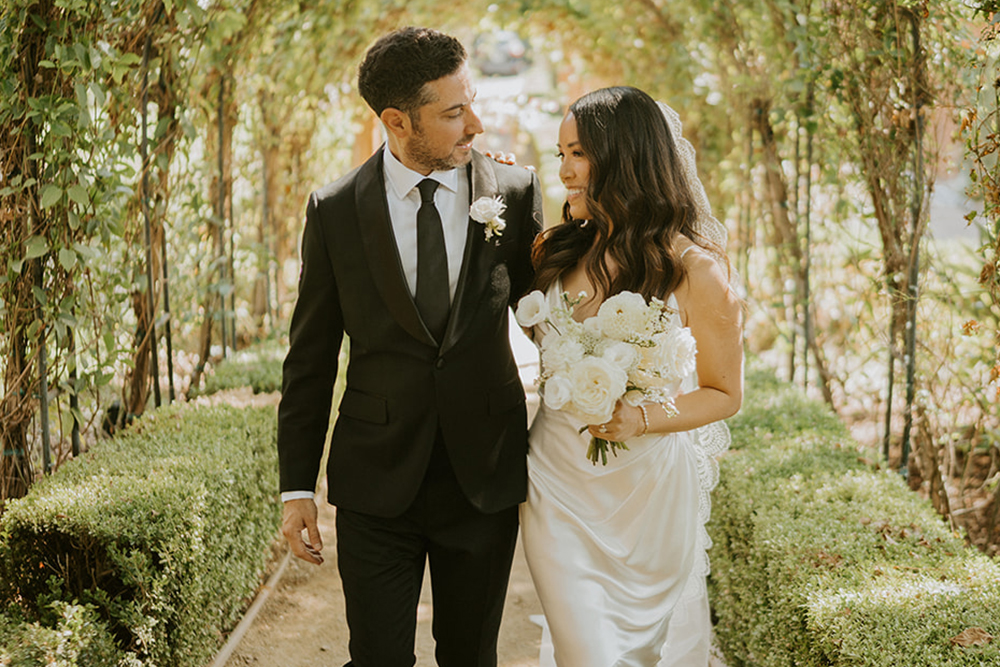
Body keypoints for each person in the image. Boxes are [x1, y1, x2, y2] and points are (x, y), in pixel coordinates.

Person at [276, 27, 543, 667]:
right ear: (397, 121)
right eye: (453, 113)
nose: (475, 124)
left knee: (471, 656)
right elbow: (309, 359)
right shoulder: (335, 210)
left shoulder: (514, 192)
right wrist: (296, 490)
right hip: (375, 482)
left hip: (484, 473)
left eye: (470, 102)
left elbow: (549, 321)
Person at [519, 86, 743, 666]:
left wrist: (639, 416)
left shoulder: (697, 271)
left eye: (578, 154)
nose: (564, 171)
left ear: (626, 160)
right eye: (560, 154)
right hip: (556, 485)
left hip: (648, 497)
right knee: (586, 652)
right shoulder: (553, 253)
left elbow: (724, 395)